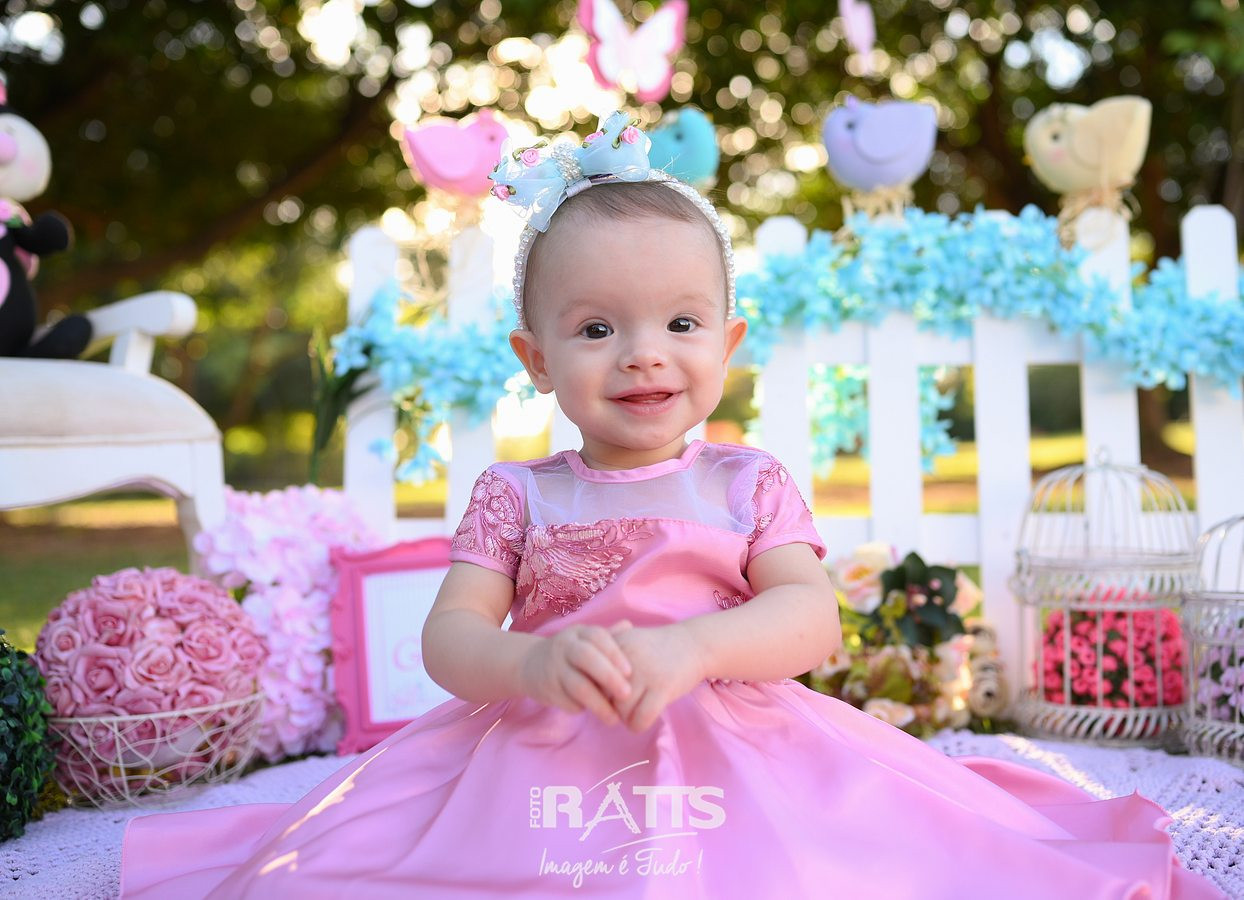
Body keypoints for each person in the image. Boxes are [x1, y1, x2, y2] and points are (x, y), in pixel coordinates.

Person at [121, 112, 1222, 899]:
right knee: (362, 864)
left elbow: (808, 619)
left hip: (738, 734)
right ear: (536, 358)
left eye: (681, 324)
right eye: (597, 328)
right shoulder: (518, 493)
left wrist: (696, 648)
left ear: (726, 343)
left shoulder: (745, 482)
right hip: (541, 741)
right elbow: (450, 638)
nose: (644, 354)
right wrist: (530, 664)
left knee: (856, 857)